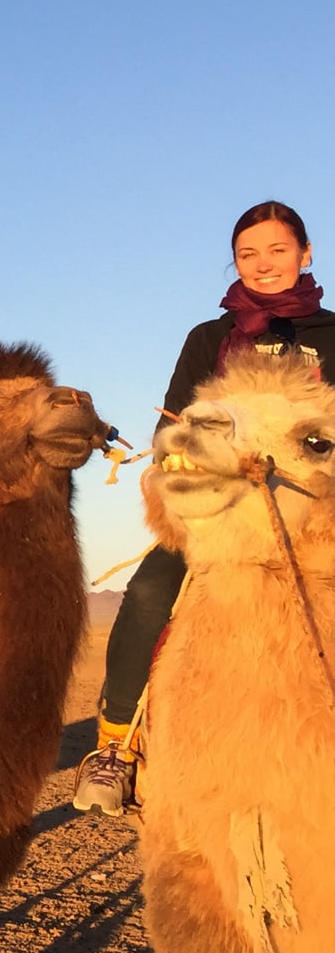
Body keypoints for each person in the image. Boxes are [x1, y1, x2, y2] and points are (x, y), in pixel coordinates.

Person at [74, 200, 335, 815]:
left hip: (314, 507)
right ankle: (117, 744)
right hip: (223, 507)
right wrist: (180, 465)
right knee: (145, 595)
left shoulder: (333, 335)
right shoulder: (209, 338)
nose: (263, 264)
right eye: (248, 254)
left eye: (277, 251)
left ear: (305, 254)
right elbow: (173, 422)